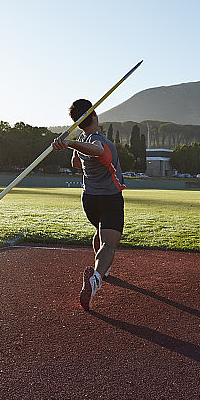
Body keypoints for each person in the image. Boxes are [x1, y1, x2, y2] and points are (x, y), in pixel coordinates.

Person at [52, 99, 125, 311]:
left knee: (99, 232)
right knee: (109, 244)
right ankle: (96, 278)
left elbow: (75, 163)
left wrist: (71, 144)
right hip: (109, 198)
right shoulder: (97, 139)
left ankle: (103, 270)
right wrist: (72, 143)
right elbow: (99, 151)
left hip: (89, 199)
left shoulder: (83, 138)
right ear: (94, 116)